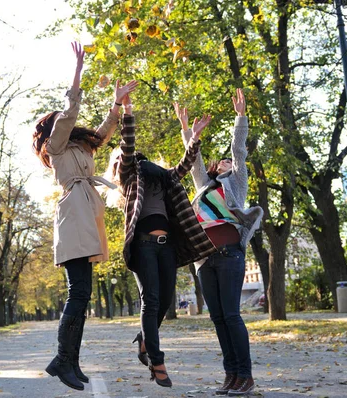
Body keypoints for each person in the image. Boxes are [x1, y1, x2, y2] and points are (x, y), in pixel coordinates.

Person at [32, 42, 137, 391]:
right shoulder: (56, 146)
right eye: (58, 123)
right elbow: (70, 113)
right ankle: (63, 360)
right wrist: (77, 72)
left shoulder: (81, 147)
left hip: (85, 214)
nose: (65, 125)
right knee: (78, 293)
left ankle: (69, 361)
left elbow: (105, 131)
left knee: (82, 293)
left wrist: (118, 103)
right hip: (73, 216)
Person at [104, 94, 214, 387]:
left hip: (166, 246)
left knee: (164, 300)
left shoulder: (162, 176)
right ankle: (157, 361)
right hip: (142, 246)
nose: (123, 158)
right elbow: (127, 146)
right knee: (150, 301)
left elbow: (183, 167)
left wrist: (193, 137)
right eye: (118, 158)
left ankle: (144, 337)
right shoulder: (129, 177)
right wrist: (127, 110)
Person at [175, 89, 263, 396]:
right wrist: (187, 130)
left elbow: (239, 152)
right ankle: (231, 375)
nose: (226, 161)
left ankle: (245, 375)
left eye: (228, 161)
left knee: (231, 315)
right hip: (204, 259)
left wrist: (241, 118)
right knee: (217, 317)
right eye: (222, 160)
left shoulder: (235, 184)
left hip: (228, 254)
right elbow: (194, 160)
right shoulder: (203, 186)